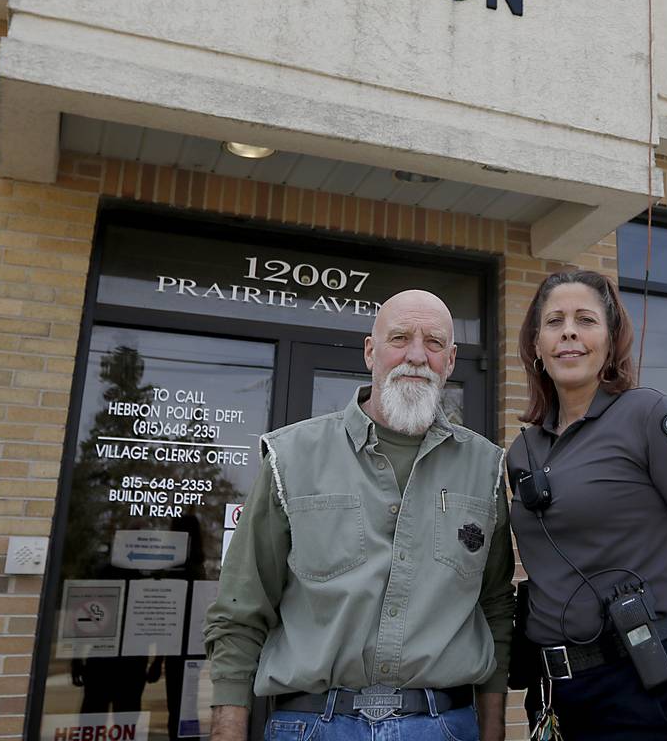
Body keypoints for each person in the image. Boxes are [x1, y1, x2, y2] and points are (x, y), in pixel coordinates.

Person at [204, 289, 513, 741]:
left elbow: (495, 607)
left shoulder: (485, 467)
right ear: (371, 351)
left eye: (433, 343)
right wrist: (226, 730)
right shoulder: (291, 458)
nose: (415, 356)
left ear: (450, 360)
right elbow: (240, 611)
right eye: (400, 338)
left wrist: (494, 729)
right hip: (311, 725)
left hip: (445, 726)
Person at [507, 270, 667, 740]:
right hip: (555, 694)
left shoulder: (653, 417)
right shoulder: (523, 451)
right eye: (554, 321)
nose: (569, 332)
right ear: (536, 344)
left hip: (646, 689)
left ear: (612, 338)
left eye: (585, 320)